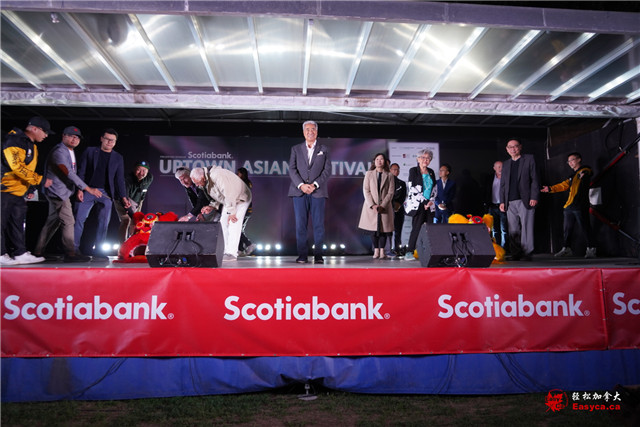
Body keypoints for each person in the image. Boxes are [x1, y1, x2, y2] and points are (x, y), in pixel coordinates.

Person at [33, 126, 102, 262]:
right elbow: (68, 172)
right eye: (71, 136)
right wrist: (88, 189)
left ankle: (38, 251)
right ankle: (71, 253)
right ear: (63, 136)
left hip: (62, 191)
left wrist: (78, 189)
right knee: (69, 221)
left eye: (77, 137)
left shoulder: (70, 151)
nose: (74, 139)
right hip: (57, 192)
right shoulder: (59, 151)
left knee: (53, 221)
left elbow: (72, 172)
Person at [1, 116, 52, 265]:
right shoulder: (14, 140)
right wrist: (39, 180)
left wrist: (31, 187)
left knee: (17, 224)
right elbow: (16, 166)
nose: (46, 135)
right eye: (45, 132)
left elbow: (28, 168)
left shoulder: (31, 145)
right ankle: (1, 254)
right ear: (34, 129)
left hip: (18, 192)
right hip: (4, 189)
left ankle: (20, 253)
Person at [74, 128, 130, 258]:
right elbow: (81, 171)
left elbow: (119, 179)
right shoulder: (90, 151)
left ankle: (99, 251)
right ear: (101, 139)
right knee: (78, 219)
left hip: (106, 193)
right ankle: (73, 249)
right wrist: (80, 189)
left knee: (104, 223)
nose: (110, 142)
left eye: (113, 140)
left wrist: (123, 197)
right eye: (107, 139)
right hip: (88, 189)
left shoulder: (118, 157)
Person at [288, 120, 331, 264]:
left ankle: (318, 255)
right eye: (307, 129)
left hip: (318, 192)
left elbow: (327, 170)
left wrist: (315, 184)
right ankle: (302, 255)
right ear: (303, 132)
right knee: (301, 225)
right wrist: (301, 185)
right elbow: (292, 169)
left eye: (313, 129)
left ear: (316, 132)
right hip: (299, 192)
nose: (310, 131)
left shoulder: (324, 149)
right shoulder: (296, 149)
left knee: (318, 225)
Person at [190, 166, 252, 261]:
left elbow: (229, 193)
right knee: (223, 223)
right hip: (230, 199)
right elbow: (220, 196)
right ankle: (226, 251)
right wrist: (212, 206)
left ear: (202, 178)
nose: (197, 185)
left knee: (233, 222)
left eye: (197, 182)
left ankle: (232, 253)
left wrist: (232, 212)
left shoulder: (217, 175)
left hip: (241, 198)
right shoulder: (207, 181)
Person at [541, 152, 596, 258]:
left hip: (580, 205)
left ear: (579, 160)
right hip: (569, 206)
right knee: (567, 230)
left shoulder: (584, 171)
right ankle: (566, 248)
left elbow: (588, 171)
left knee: (585, 227)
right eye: (569, 161)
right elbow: (564, 185)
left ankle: (591, 249)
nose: (570, 163)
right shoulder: (572, 176)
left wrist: (584, 174)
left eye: (572, 160)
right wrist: (550, 189)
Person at [499, 139, 539, 261]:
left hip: (525, 199)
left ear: (520, 147)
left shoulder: (529, 159)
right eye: (510, 147)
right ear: (507, 149)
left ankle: (527, 253)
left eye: (515, 146)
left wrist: (534, 196)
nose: (513, 149)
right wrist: (502, 201)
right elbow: (503, 184)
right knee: (513, 229)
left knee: (527, 227)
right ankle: (516, 253)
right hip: (509, 201)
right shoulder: (506, 164)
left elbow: (535, 179)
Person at [358, 153, 395, 259]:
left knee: (384, 229)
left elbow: (391, 192)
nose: (379, 161)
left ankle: (382, 251)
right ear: (374, 161)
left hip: (385, 206)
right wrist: (372, 205)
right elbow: (366, 190)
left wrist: (383, 205)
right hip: (371, 206)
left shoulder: (389, 175)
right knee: (373, 230)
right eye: (377, 159)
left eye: (381, 159)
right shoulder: (369, 174)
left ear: (385, 161)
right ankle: (376, 251)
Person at [403, 149, 437, 260]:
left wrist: (431, 201)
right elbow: (413, 188)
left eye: (428, 158)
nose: (425, 160)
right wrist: (424, 202)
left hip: (429, 206)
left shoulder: (431, 171)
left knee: (429, 229)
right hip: (418, 204)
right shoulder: (413, 171)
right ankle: (409, 252)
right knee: (416, 228)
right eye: (423, 157)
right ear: (418, 159)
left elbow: (434, 188)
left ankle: (428, 252)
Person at [115, 161, 154, 241]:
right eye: (138, 170)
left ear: (147, 171)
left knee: (136, 222)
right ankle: (122, 244)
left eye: (144, 170)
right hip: (123, 200)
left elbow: (143, 191)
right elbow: (124, 198)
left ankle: (132, 242)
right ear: (134, 170)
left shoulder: (149, 178)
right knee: (126, 221)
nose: (141, 173)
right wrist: (129, 211)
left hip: (138, 201)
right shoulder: (127, 180)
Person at [484, 160, 508, 247]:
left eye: (501, 166)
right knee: (494, 229)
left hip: (503, 206)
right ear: (494, 168)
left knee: (504, 229)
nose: (500, 169)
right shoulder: (490, 178)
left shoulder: (507, 177)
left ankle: (504, 248)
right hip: (492, 206)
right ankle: (497, 247)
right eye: (498, 167)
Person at [236, 167, 256, 256]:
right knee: (239, 229)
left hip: (244, 210)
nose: (237, 175)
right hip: (246, 210)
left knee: (237, 229)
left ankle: (249, 244)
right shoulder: (247, 183)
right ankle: (240, 249)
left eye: (238, 173)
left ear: (242, 174)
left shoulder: (243, 184)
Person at [389, 162, 407, 257]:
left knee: (398, 230)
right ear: (390, 170)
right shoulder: (387, 182)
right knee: (388, 231)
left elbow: (403, 196)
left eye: (398, 169)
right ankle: (388, 249)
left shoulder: (402, 183)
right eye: (394, 169)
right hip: (388, 209)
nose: (396, 171)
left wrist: (398, 205)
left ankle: (397, 249)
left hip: (399, 209)